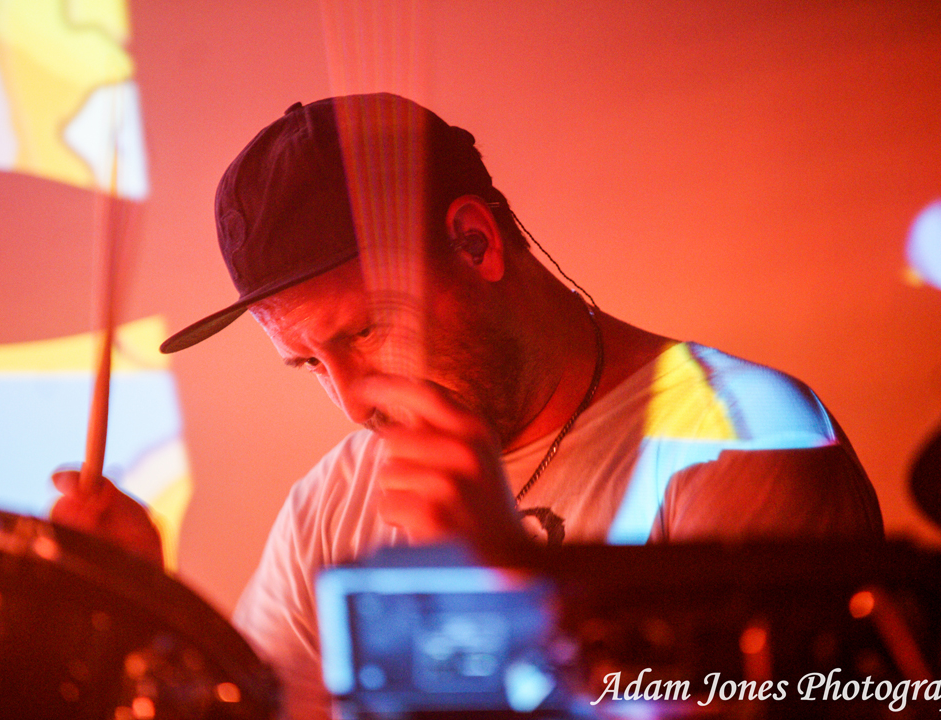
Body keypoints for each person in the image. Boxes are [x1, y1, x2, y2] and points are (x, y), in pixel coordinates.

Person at [52, 93, 883, 719]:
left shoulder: (743, 439)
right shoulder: (333, 500)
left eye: (368, 331)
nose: (353, 402)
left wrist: (509, 588)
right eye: (309, 363)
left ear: (475, 242)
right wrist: (145, 617)